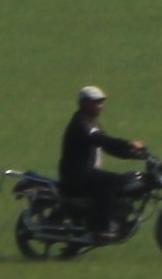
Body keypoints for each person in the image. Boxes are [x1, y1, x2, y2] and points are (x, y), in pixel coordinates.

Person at [58, 84, 150, 228]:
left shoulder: (93, 124)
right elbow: (101, 140)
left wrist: (134, 155)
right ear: (83, 103)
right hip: (77, 176)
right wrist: (129, 143)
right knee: (112, 181)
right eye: (95, 101)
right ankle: (100, 227)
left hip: (86, 174)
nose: (100, 105)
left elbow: (108, 147)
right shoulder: (81, 123)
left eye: (101, 101)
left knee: (120, 181)